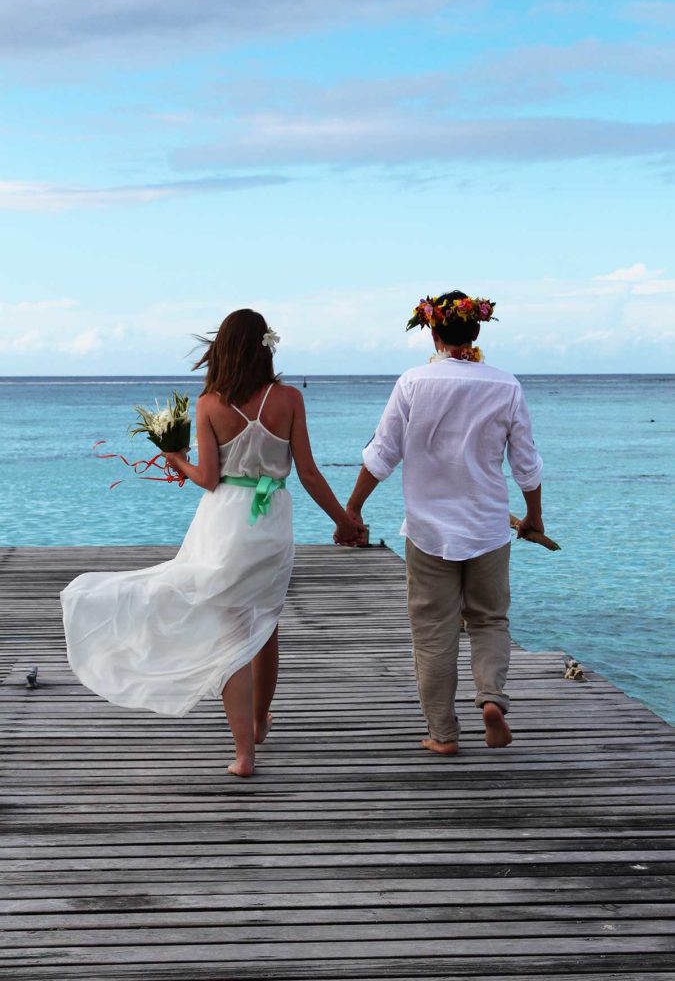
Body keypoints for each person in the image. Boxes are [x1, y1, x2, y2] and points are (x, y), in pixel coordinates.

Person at [61, 309, 362, 777]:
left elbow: (208, 479)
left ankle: (244, 753)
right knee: (266, 628)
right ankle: (261, 723)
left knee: (232, 635)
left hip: (223, 524)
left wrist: (175, 459)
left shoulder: (209, 404)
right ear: (266, 347)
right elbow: (308, 472)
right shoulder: (288, 399)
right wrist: (343, 521)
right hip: (272, 524)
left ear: (221, 350)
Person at [342, 291, 544, 754]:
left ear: (432, 333)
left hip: (429, 532)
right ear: (475, 331)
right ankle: (491, 697)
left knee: (434, 632)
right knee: (490, 620)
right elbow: (526, 464)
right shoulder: (506, 385)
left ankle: (443, 734)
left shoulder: (413, 383)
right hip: (489, 528)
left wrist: (353, 510)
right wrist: (533, 515)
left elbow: (382, 454)